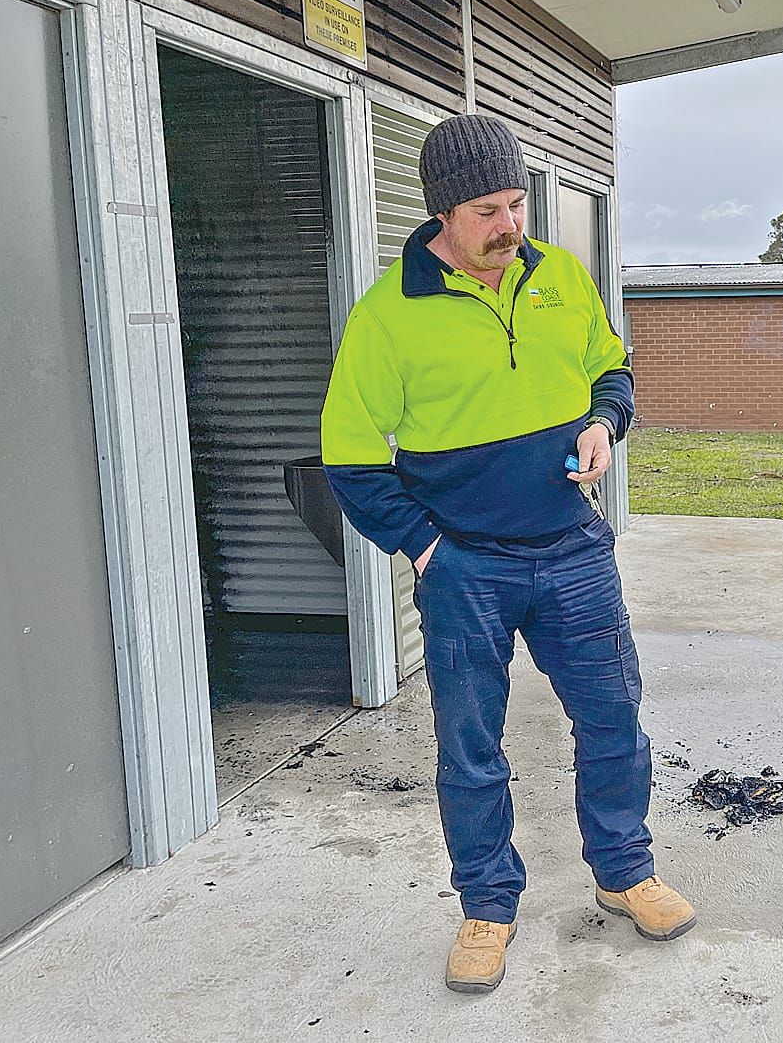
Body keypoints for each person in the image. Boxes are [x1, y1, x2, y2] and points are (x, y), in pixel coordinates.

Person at [321, 113, 695, 995]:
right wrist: (426, 547)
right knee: (471, 748)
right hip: (467, 568)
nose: (509, 225)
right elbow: (350, 457)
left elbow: (613, 368)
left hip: (573, 550)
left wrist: (605, 423)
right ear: (443, 214)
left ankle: (623, 869)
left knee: (614, 720)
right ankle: (487, 906)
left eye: (517, 203)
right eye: (488, 209)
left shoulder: (559, 276)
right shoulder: (388, 315)